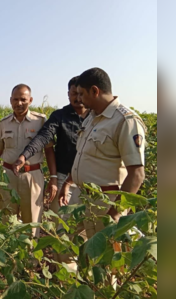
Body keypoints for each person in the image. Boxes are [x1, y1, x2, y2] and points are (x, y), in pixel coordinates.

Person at [58, 68, 146, 240]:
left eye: (82, 94)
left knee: (105, 257)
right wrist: (68, 182)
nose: (79, 100)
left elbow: (137, 174)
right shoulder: (91, 117)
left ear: (95, 91)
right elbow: (85, 156)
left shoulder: (126, 121)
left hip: (105, 203)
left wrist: (115, 213)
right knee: (65, 242)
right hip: (81, 197)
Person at [13, 76, 89, 222]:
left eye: (81, 94)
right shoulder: (59, 116)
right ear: (68, 94)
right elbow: (42, 138)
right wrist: (24, 156)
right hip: (63, 177)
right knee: (61, 222)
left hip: (90, 179)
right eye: (74, 93)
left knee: (87, 223)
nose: (78, 98)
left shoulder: (95, 116)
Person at [0, 84, 47, 237]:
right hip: (7, 175)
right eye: (15, 99)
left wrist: (53, 178)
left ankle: (31, 259)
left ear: (30, 100)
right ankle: (10, 257)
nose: (19, 103)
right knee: (8, 219)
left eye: (23, 99)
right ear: (10, 100)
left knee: (32, 221)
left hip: (31, 176)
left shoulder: (40, 121)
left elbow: (49, 150)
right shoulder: (4, 123)